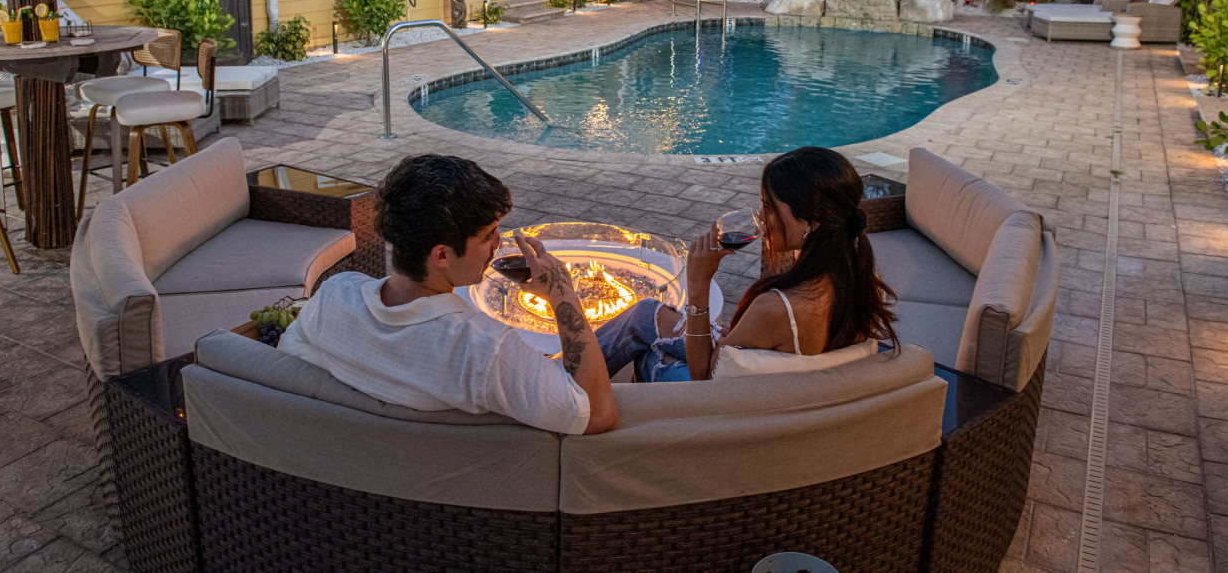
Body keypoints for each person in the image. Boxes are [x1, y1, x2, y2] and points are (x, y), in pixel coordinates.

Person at [278, 154, 618, 435]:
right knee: (642, 326)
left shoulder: (333, 296)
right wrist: (563, 295)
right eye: (488, 235)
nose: (499, 243)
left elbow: (288, 352)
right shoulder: (483, 350)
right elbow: (598, 414)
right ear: (441, 255)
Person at [596, 147, 898, 382]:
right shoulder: (864, 278)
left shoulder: (777, 307)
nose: (762, 221)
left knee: (650, 351)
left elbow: (704, 375)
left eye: (769, 208)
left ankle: (572, 390)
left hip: (718, 407)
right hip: (780, 388)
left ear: (811, 222)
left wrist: (698, 285)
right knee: (646, 313)